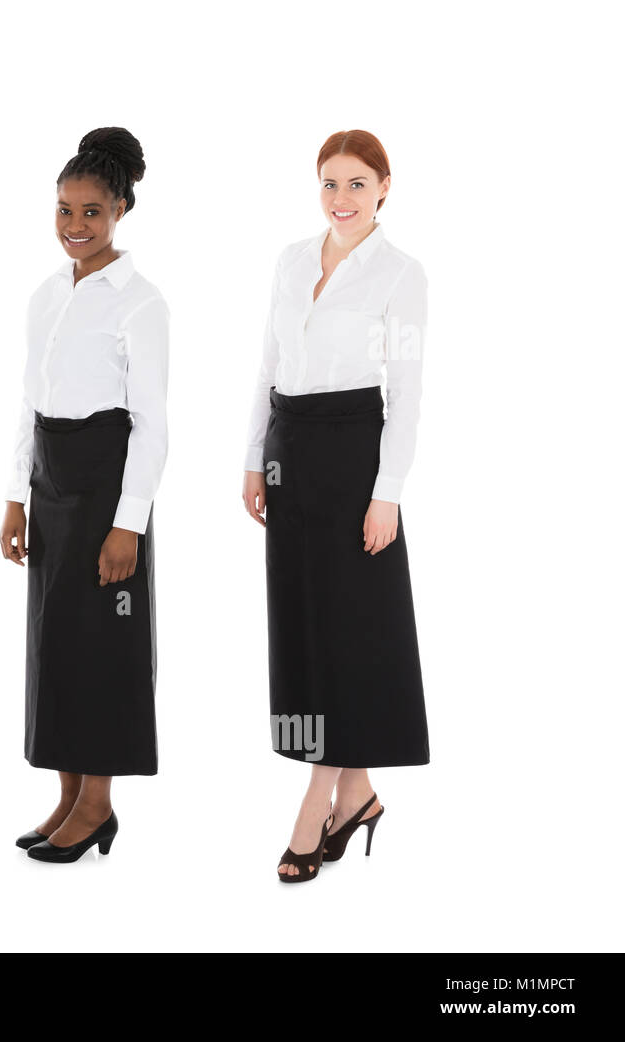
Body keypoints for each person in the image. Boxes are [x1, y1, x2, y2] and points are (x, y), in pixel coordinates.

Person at [241, 129, 430, 883]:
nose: (341, 199)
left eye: (357, 184)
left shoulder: (402, 275)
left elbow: (408, 395)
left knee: (354, 629)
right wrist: (254, 457)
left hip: (356, 457)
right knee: (303, 626)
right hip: (291, 449)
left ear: (385, 188)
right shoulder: (291, 259)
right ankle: (356, 792)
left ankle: (318, 794)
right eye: (329, 183)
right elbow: (267, 361)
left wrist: (387, 496)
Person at [0, 128, 169, 864]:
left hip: (105, 486)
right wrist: (15, 496)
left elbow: (153, 425)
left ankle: (99, 804)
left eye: (92, 211)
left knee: (102, 645)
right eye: (65, 209)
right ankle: (67, 794)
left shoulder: (141, 302)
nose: (75, 225)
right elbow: (31, 400)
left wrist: (127, 524)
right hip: (50, 480)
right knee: (55, 643)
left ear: (122, 209)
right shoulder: (46, 295)